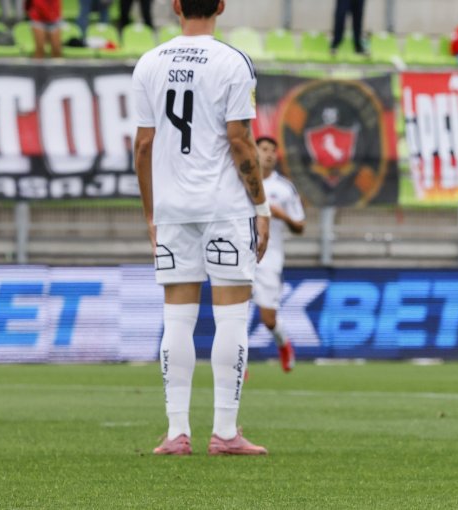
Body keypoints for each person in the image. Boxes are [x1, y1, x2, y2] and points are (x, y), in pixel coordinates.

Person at [132, 0, 271, 456]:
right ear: (221, 6)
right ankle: (225, 433)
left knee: (177, 317)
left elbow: (144, 144)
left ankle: (176, 432)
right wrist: (261, 205)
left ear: (175, 5)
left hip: (172, 207)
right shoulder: (232, 61)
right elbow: (240, 140)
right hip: (224, 205)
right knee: (231, 316)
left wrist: (152, 213)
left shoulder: (149, 62)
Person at [253, 136, 305, 373]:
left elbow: (300, 226)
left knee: (268, 319)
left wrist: (280, 215)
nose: (269, 154)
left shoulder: (283, 188)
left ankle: (283, 343)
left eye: (273, 150)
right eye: (264, 149)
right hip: (238, 254)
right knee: (233, 313)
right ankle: (235, 362)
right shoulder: (238, 181)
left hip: (269, 258)